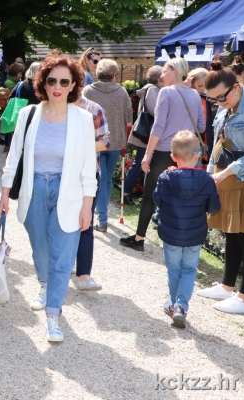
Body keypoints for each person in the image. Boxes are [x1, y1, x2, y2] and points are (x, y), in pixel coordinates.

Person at [0, 56, 97, 342]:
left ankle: (53, 313)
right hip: (35, 190)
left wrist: (88, 206)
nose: (57, 86)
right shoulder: (29, 114)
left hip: (70, 193)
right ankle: (43, 283)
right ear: (43, 82)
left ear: (74, 85)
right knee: (41, 251)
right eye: (51, 80)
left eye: (64, 81)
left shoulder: (83, 119)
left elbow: (88, 166)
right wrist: (5, 193)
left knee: (64, 256)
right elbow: (13, 156)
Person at [120, 57, 204, 251]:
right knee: (179, 197)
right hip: (186, 154)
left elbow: (158, 126)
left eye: (165, 70)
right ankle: (177, 241)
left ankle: (139, 238)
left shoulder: (166, 92)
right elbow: (200, 126)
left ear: (175, 72)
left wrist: (147, 154)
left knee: (150, 196)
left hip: (163, 151)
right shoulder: (195, 95)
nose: (161, 74)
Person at [154, 130, 220, 328]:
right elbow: (214, 207)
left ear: (173, 156)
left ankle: (175, 306)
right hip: (194, 233)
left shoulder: (166, 177)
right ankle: (181, 305)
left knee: (174, 270)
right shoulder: (207, 180)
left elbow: (157, 199)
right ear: (198, 155)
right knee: (189, 269)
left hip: (171, 232)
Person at [197, 61, 244, 313]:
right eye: (212, 99)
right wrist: (210, 173)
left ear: (236, 87)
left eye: (222, 97)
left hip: (241, 179)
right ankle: (227, 287)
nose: (218, 103)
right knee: (232, 233)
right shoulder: (224, 107)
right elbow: (217, 141)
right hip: (225, 178)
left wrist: (229, 171)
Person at [83, 59, 132, 232]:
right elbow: (129, 120)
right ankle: (103, 215)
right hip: (116, 141)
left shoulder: (88, 91)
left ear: (98, 74)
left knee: (100, 179)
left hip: (94, 141)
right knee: (106, 179)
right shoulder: (122, 92)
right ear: (115, 75)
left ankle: (102, 218)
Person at [72, 96, 111, 292]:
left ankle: (84, 275)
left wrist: (77, 145)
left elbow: (105, 142)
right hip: (60, 173)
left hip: (88, 171)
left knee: (85, 222)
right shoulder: (55, 106)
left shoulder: (94, 109)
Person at [124, 65, 164, 205]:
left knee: (143, 163)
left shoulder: (155, 89)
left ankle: (138, 193)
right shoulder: (153, 89)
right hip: (148, 133)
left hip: (149, 133)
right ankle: (126, 192)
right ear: (159, 79)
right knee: (140, 163)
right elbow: (155, 111)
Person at [2, 62, 42, 153]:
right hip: (37, 118)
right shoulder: (42, 87)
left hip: (21, 116)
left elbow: (11, 98)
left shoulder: (21, 84)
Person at [188, 67, 214, 162]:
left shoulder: (207, 99)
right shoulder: (187, 98)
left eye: (205, 86)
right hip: (188, 142)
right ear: (191, 82)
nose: (202, 89)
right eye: (199, 86)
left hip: (203, 143)